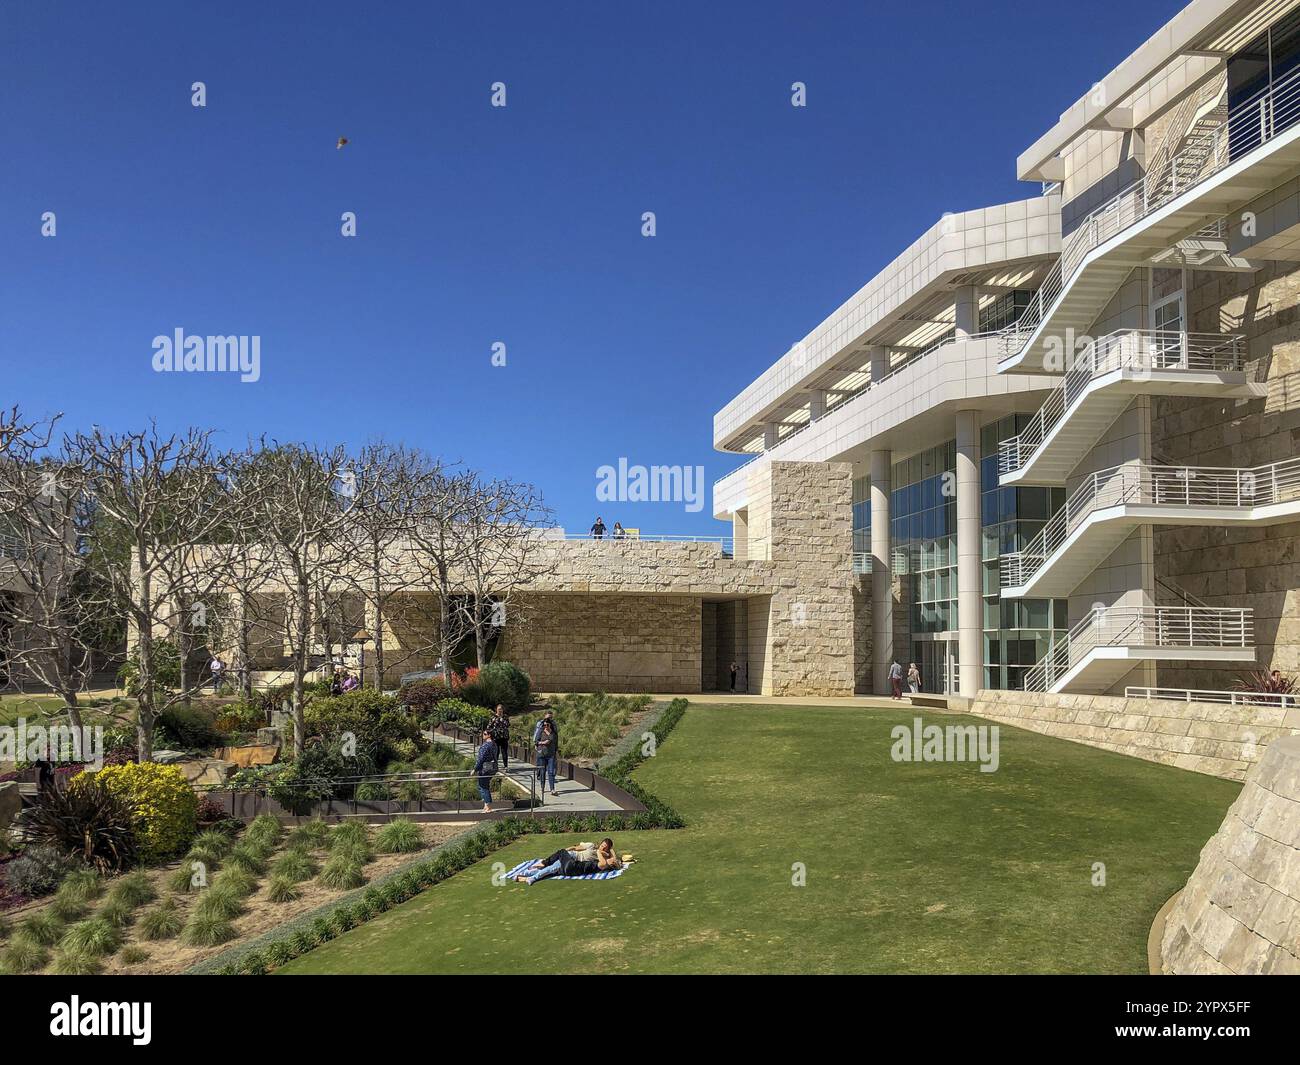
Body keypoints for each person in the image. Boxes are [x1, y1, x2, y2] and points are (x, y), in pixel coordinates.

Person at [514, 838, 622, 885]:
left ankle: (527, 874)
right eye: (602, 845)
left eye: (605, 847)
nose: (602, 848)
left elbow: (614, 860)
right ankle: (531, 876)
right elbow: (576, 848)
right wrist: (567, 849)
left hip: (574, 863)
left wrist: (609, 850)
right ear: (600, 843)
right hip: (571, 856)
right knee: (557, 859)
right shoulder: (591, 846)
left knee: (552, 868)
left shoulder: (601, 858)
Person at [473, 728, 498, 813]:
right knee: (483, 785)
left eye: (484, 734)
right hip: (493, 767)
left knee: (483, 786)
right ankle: (486, 805)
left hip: (485, 768)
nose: (482, 735)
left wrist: (475, 769)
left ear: (489, 735)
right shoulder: (494, 744)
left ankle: (488, 806)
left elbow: (481, 758)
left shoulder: (485, 745)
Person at [534, 718, 558, 797]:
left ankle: (552, 789)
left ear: (550, 725)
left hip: (551, 755)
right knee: (542, 771)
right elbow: (536, 742)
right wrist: (542, 742)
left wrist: (556, 752)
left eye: (547, 725)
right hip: (542, 755)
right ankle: (542, 787)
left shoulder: (553, 733)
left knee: (551, 772)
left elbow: (554, 742)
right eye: (544, 725)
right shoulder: (541, 731)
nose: (545, 726)